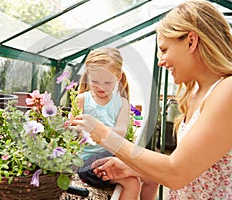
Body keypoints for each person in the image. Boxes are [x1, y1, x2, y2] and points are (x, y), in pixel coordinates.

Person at [72, 0, 232, 199]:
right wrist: (135, 168)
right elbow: (193, 168)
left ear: (191, 41)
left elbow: (176, 173)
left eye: (164, 49)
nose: (160, 60)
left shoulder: (227, 91)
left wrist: (102, 133)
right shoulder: (199, 94)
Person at [76, 47, 158, 200]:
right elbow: (76, 130)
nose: (101, 86)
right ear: (88, 76)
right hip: (88, 161)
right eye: (95, 81)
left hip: (116, 157)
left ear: (118, 77)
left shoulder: (122, 102)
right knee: (133, 183)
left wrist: (94, 129)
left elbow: (121, 131)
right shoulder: (82, 99)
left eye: (107, 82)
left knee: (152, 177)